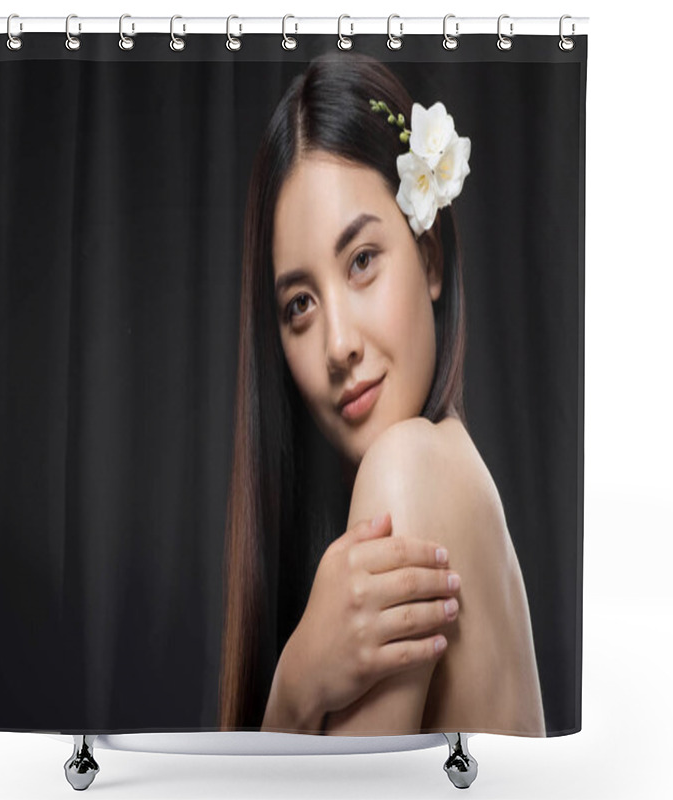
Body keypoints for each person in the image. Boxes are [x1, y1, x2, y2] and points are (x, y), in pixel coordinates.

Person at [219, 51, 545, 737]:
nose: (338, 344)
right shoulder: (455, 471)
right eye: (300, 305)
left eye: (362, 261)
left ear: (429, 257)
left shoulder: (407, 472)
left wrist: (291, 690)